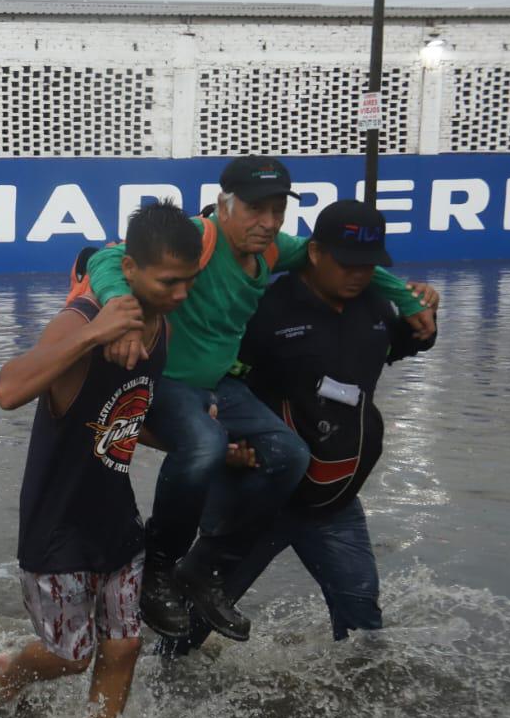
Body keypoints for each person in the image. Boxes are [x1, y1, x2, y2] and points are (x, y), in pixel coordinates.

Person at [85, 157, 438, 643]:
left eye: (277, 211)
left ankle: (200, 570)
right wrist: (118, 308)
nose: (268, 222)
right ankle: (160, 569)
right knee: (206, 448)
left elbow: (367, 285)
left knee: (292, 459)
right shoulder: (214, 250)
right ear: (224, 204)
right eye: (255, 209)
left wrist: (412, 301)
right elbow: (107, 259)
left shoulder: (296, 262)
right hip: (208, 426)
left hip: (301, 466)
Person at [162, 200, 438, 653]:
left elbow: (410, 341)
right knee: (189, 629)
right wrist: (226, 445)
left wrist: (424, 309)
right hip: (256, 496)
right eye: (346, 263)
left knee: (365, 634)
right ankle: (156, 683)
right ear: (314, 252)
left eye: (369, 265)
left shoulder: (377, 308)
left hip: (333, 501)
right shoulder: (266, 310)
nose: (358, 274)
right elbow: (215, 388)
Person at [0, 202, 203, 718]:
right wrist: (92, 333)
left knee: (125, 646)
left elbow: (126, 414)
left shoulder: (160, 326)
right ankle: (8, 674)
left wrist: (197, 441)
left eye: (189, 281)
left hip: (115, 514)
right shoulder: (81, 320)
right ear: (129, 269)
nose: (181, 294)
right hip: (56, 524)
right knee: (71, 656)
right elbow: (8, 390)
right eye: (169, 282)